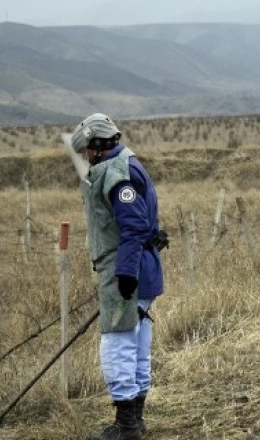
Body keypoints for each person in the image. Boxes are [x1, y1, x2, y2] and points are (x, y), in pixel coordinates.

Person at [68, 113, 166, 440]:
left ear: (96, 146)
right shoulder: (127, 162)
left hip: (127, 270)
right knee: (137, 345)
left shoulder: (116, 174)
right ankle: (134, 422)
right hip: (141, 266)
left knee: (117, 345)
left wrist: (124, 274)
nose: (83, 155)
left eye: (86, 149)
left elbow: (134, 225)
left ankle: (126, 428)